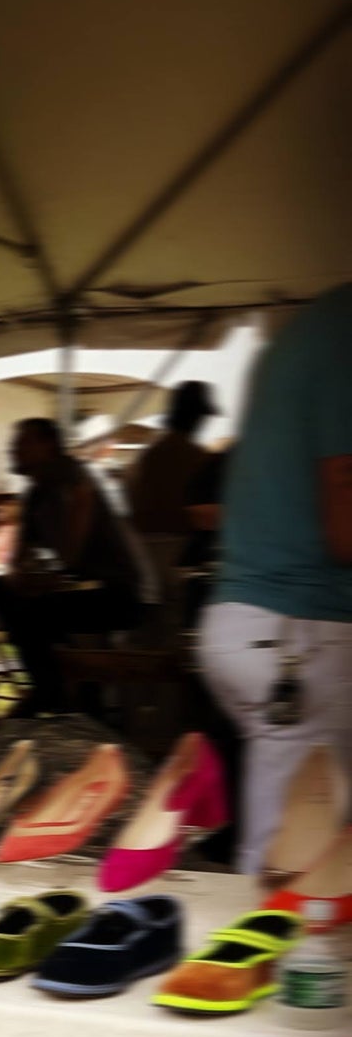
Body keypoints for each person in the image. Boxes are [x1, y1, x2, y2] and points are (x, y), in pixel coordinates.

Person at [198, 284, 352, 874]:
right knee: (294, 872)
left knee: (298, 859)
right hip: (300, 630)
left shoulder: (313, 327)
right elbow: (345, 529)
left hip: (261, 620)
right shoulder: (344, 337)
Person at [0, 418, 146, 716]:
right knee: (2, 591)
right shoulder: (35, 494)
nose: (13, 450)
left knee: (38, 612)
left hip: (118, 592)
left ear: (48, 445)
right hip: (84, 589)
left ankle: (57, 693)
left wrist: (50, 573)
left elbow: (73, 548)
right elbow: (19, 561)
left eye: (22, 443)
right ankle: (59, 691)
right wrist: (21, 578)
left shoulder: (70, 474)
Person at [127, 380, 225, 612]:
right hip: (176, 560)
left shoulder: (148, 454)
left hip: (140, 557)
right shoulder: (197, 458)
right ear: (195, 416)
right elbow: (208, 515)